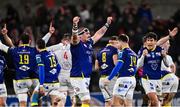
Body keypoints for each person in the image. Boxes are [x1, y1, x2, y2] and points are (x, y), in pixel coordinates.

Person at [70, 16, 113, 107]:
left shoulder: (88, 43)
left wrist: (107, 24)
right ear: (80, 35)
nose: (89, 35)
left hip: (85, 76)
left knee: (77, 103)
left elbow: (99, 34)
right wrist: (75, 25)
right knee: (86, 100)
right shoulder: (76, 44)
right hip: (78, 76)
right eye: (86, 33)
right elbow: (74, 37)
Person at [137, 32, 171, 107]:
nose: (149, 42)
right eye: (148, 40)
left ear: (155, 41)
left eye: (151, 40)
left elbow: (167, 65)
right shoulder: (143, 50)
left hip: (158, 79)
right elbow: (139, 65)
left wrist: (164, 56)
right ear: (146, 42)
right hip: (147, 79)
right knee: (155, 101)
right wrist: (143, 56)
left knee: (152, 103)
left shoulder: (160, 49)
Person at [103, 34, 137, 106]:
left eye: (117, 43)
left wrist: (109, 78)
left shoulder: (122, 52)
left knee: (116, 103)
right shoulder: (134, 53)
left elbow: (118, 66)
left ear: (121, 42)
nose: (117, 45)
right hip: (132, 80)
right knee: (128, 104)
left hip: (123, 79)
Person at [42, 31, 73, 106]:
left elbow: (41, 46)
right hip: (72, 75)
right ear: (70, 40)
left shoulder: (55, 48)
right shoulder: (74, 47)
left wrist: (49, 33)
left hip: (59, 76)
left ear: (62, 40)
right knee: (74, 99)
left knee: (61, 99)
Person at [31, 39, 64, 107]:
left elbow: (41, 70)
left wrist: (41, 85)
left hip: (46, 83)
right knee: (54, 103)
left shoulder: (39, 56)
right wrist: (54, 75)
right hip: (55, 83)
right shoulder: (52, 54)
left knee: (34, 99)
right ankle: (60, 98)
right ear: (45, 46)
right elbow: (59, 67)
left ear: (37, 46)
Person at [95, 36, 118, 107]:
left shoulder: (100, 51)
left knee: (107, 101)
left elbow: (96, 68)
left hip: (102, 79)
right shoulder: (114, 50)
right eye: (118, 43)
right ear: (115, 42)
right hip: (111, 79)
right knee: (116, 102)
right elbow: (116, 64)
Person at [160, 40, 179, 107]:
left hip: (167, 77)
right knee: (165, 99)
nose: (169, 45)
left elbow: (173, 66)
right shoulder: (157, 54)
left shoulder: (168, 57)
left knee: (161, 99)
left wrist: (173, 75)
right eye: (167, 43)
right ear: (162, 44)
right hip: (163, 78)